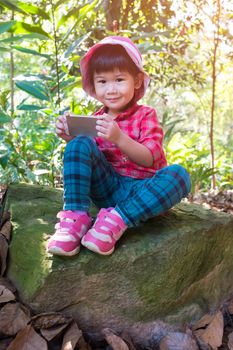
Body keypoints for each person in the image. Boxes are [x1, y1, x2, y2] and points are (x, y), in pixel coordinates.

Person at [47, 36, 191, 257]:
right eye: (102, 82)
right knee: (79, 144)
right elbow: (87, 158)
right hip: (107, 188)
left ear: (136, 81)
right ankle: (75, 219)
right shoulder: (95, 120)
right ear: (93, 86)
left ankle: (117, 220)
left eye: (119, 79)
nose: (111, 89)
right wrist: (69, 137)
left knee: (179, 175)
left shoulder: (146, 115)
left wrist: (119, 137)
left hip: (142, 191)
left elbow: (149, 158)